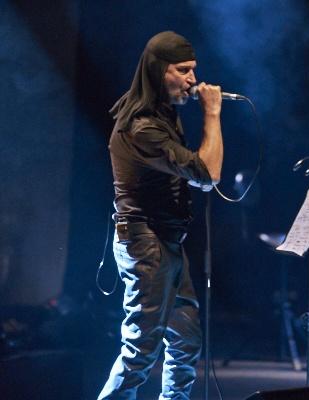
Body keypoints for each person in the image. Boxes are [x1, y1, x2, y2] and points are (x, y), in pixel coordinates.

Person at [98, 31, 223, 399]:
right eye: (182, 70)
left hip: (166, 240)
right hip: (145, 242)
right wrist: (212, 113)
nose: (192, 80)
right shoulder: (142, 127)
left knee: (186, 341)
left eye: (193, 69)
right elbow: (209, 173)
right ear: (157, 71)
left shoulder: (163, 116)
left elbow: (196, 174)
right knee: (141, 349)